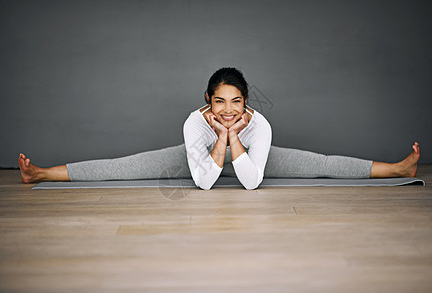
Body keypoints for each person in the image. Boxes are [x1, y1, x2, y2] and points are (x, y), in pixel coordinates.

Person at [18, 67, 421, 190]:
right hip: (199, 161)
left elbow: (250, 182)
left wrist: (233, 138)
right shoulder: (195, 123)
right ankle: (40, 173)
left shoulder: (259, 126)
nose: (228, 111)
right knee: (123, 165)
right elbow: (205, 182)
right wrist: (223, 137)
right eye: (219, 102)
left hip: (253, 160)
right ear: (207, 102)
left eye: (237, 102)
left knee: (323, 162)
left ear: (246, 103)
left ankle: (399, 169)